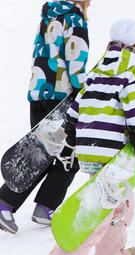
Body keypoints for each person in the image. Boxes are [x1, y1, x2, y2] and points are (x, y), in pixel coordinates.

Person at [41, 19, 135, 255]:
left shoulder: (99, 67)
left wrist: (69, 139)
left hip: (89, 145)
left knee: (117, 201)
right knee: (103, 207)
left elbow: (76, 106)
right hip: (113, 149)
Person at [0, 0, 90, 234]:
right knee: (70, 153)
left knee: (40, 152)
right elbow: (76, 62)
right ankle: (45, 207)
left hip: (39, 91)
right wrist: (86, 90)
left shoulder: (49, 16)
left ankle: (7, 204)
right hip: (60, 97)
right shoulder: (74, 19)